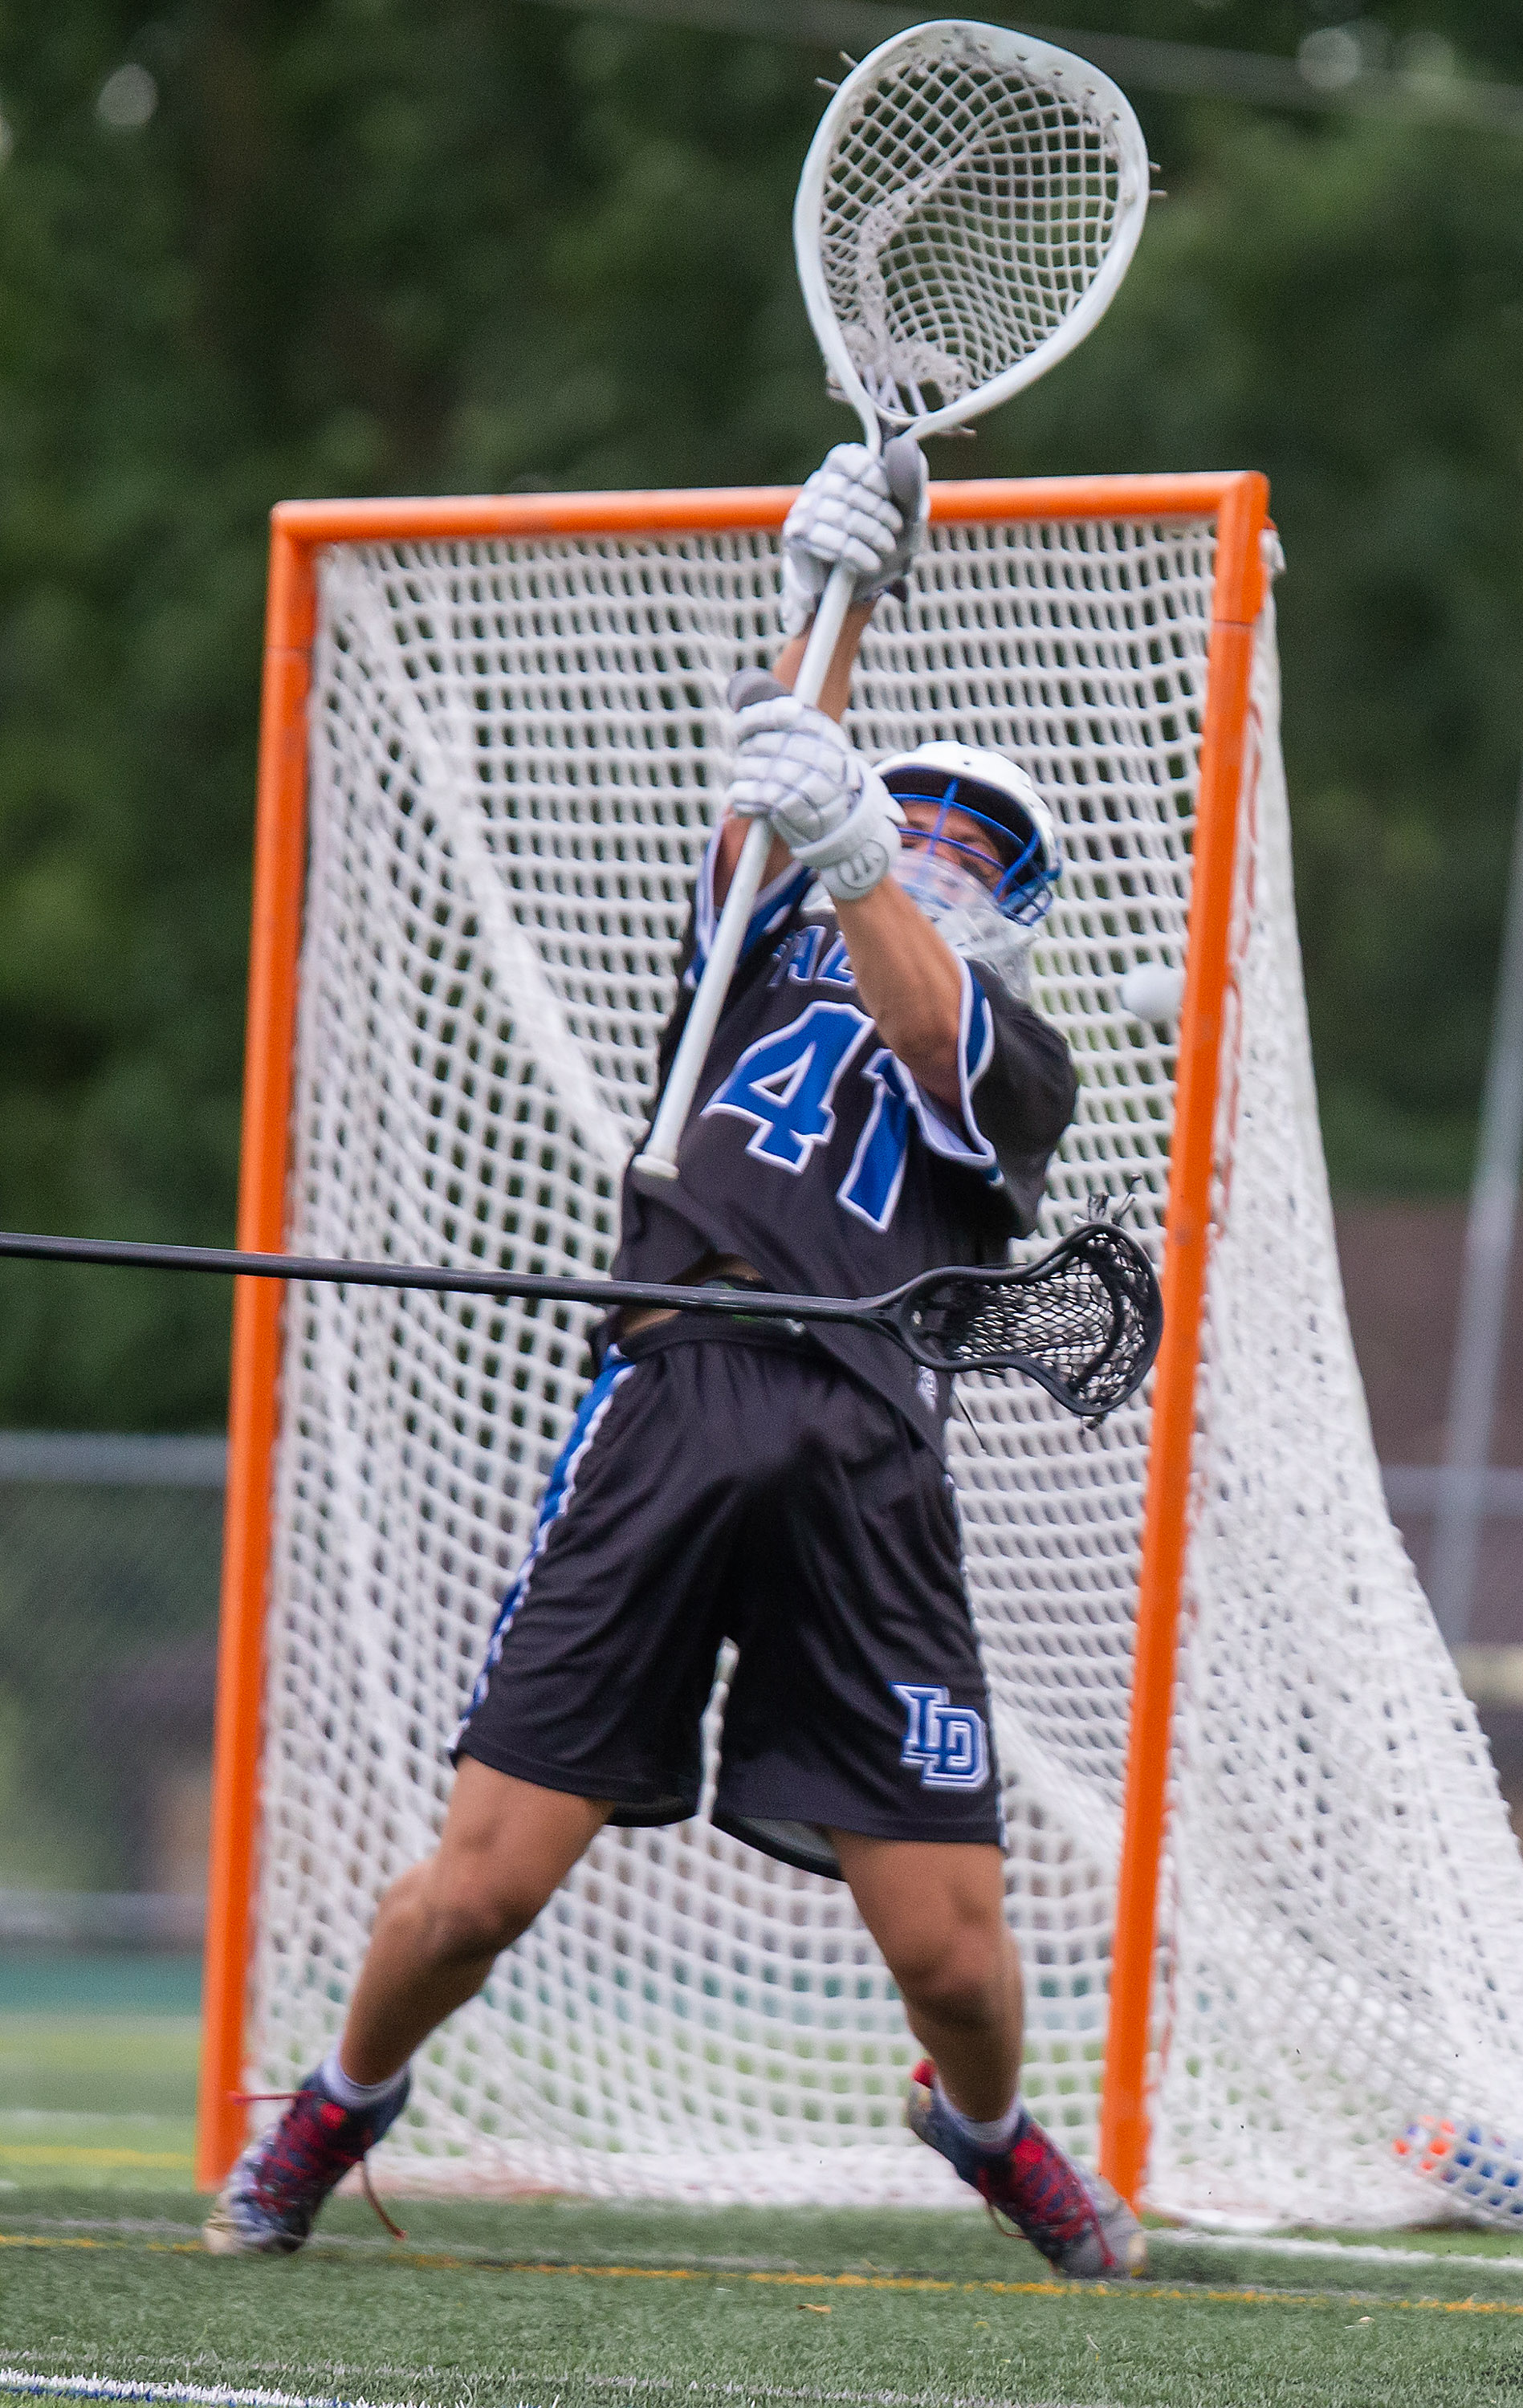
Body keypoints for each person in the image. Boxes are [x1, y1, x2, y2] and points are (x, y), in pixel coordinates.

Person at [206, 441, 1142, 2282]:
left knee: (951, 1953)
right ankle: (325, 2116)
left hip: (867, 1459)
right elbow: (764, 797)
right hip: (674, 1402)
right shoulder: (745, 959)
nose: (941, 846)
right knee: (482, 1891)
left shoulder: (1014, 1055)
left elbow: (934, 1043)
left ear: (1014, 897)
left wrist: (862, 838)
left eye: (981, 845)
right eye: (923, 819)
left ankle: (979, 2128)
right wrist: (829, 594)